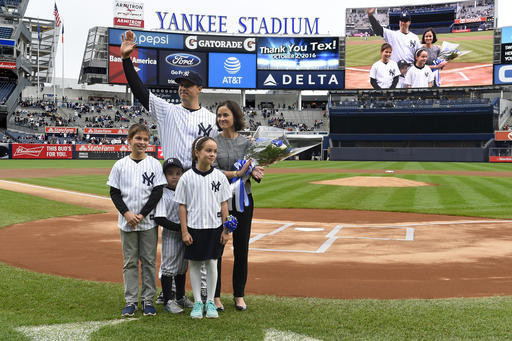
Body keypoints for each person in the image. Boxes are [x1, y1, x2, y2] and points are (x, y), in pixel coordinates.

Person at [121, 29, 217, 302]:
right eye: (180, 83)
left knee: (199, 239)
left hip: (200, 186)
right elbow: (139, 91)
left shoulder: (210, 118)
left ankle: (201, 296)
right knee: (174, 243)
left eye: (188, 84)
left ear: (199, 89)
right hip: (173, 185)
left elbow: (216, 154)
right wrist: (128, 61)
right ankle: (169, 294)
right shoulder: (167, 110)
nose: (183, 87)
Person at [107, 123, 167, 317]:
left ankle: (148, 299)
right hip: (126, 222)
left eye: (145, 139)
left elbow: (157, 191)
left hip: (148, 221)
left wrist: (141, 214)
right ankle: (131, 300)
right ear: (129, 140)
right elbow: (114, 193)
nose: (142, 142)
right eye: (138, 138)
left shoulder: (154, 164)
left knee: (149, 261)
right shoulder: (120, 165)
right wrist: (126, 213)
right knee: (130, 262)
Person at [212, 100, 264, 311]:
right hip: (219, 200)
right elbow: (212, 171)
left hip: (243, 200)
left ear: (235, 117)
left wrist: (255, 172)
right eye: (219, 115)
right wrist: (237, 174)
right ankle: (215, 296)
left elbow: (254, 167)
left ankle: (239, 295)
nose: (222, 119)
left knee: (241, 249)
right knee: (217, 249)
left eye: (226, 115)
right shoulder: (213, 142)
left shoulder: (247, 143)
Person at [174, 136, 232, 319]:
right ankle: (198, 301)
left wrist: (226, 229)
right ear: (197, 153)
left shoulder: (220, 177)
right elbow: (182, 206)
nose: (212, 154)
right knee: (196, 264)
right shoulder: (186, 178)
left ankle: (211, 302)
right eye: (208, 150)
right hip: (194, 228)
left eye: (214, 151)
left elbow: (224, 205)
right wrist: (184, 231)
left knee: (212, 263)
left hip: (214, 228)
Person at [154, 157, 194, 314]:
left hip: (185, 235)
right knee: (169, 268)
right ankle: (167, 300)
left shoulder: (184, 191)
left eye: (178, 173)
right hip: (171, 235)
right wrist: (182, 228)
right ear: (164, 175)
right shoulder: (162, 193)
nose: (174, 176)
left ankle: (180, 297)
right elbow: (160, 218)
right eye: (170, 173)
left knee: (182, 267)